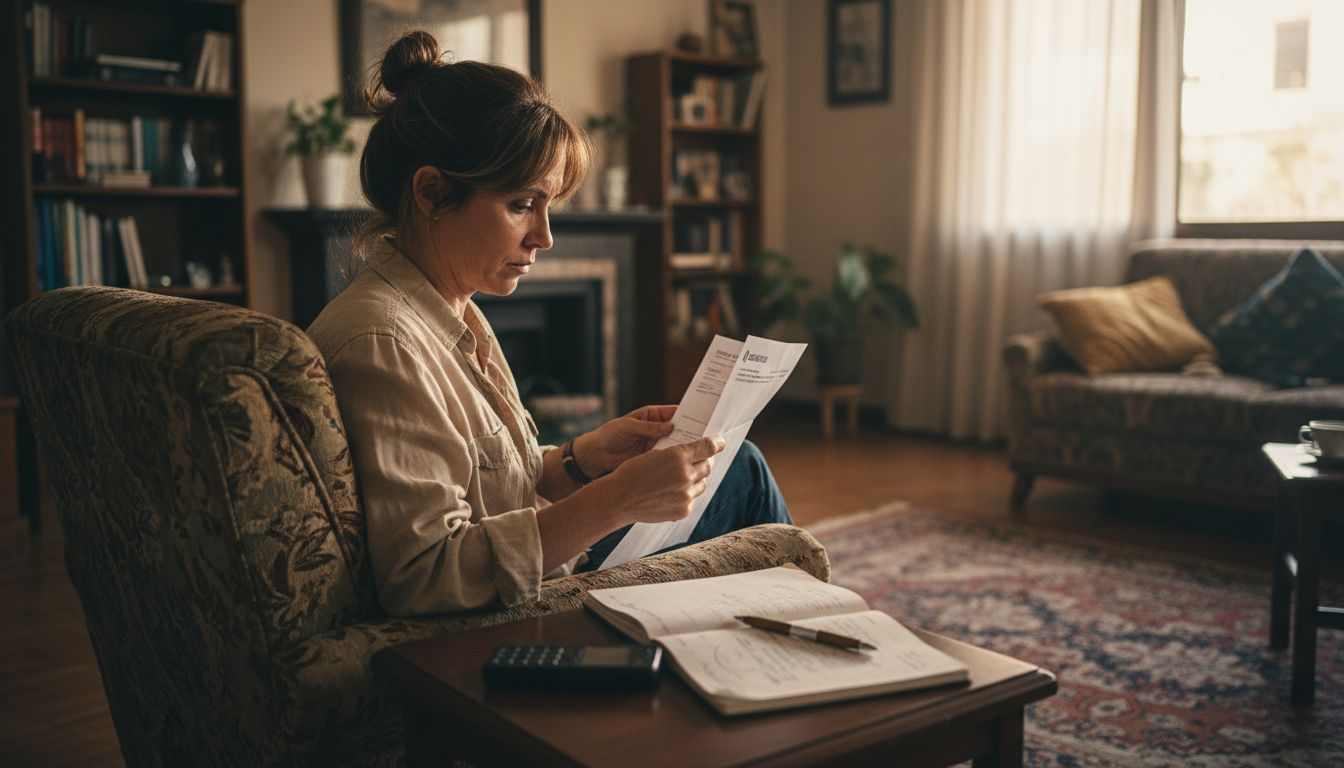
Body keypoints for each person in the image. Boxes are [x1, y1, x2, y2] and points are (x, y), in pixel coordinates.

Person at [307, 31, 791, 617]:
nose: (544, 237)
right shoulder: (382, 343)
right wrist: (616, 499)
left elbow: (489, 485)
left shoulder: (450, 309)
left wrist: (584, 458)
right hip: (517, 608)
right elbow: (425, 576)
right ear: (432, 193)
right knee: (745, 477)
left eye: (547, 207)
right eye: (521, 205)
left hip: (544, 564)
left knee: (737, 462)